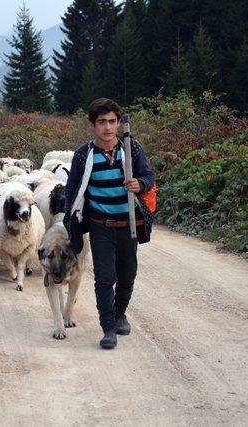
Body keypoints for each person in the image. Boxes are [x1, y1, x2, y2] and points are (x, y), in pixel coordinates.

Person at [63, 98, 155, 349]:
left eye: (112, 121)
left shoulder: (131, 148)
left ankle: (119, 314)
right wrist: (68, 218)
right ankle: (108, 328)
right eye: (101, 122)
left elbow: (148, 175)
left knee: (127, 274)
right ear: (92, 124)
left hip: (129, 224)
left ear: (118, 123)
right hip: (100, 225)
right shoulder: (84, 155)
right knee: (105, 278)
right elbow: (72, 188)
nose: (107, 127)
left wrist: (140, 184)